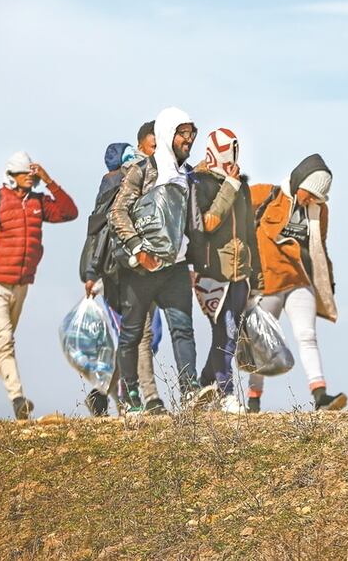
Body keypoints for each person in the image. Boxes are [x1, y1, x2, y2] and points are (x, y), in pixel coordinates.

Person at [0, 152, 78, 420]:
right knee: (5, 341)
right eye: (25, 173)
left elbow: (69, 212)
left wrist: (49, 180)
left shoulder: (38, 203)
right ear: (11, 176)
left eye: (32, 173)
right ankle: (18, 399)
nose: (30, 177)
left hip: (20, 286)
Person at [109, 107, 206, 414]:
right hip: (142, 268)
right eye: (182, 133)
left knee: (183, 328)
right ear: (167, 134)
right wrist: (138, 250)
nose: (188, 140)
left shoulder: (186, 174)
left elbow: (189, 222)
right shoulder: (143, 170)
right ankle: (132, 396)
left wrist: (193, 262)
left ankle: (190, 392)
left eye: (191, 133)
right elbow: (117, 212)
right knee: (133, 332)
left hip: (175, 267)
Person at [79, 123, 166, 416]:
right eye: (154, 146)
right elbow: (99, 228)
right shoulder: (121, 180)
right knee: (137, 334)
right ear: (141, 147)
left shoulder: (157, 175)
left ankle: (106, 393)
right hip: (121, 270)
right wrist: (91, 271)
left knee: (143, 336)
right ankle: (137, 399)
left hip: (145, 267)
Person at [247, 155, 345, 412]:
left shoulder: (319, 211)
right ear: (299, 181)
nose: (312, 200)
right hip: (265, 283)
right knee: (261, 342)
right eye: (310, 193)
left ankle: (320, 395)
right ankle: (253, 399)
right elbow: (232, 208)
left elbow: (319, 247)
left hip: (299, 281)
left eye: (318, 197)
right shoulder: (266, 195)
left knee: (307, 336)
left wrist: (327, 282)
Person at [187, 127, 262, 413]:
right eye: (230, 150)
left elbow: (249, 232)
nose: (235, 156)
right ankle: (226, 390)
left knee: (228, 334)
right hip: (213, 272)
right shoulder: (200, 183)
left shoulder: (241, 185)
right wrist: (228, 186)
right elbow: (209, 222)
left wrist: (258, 277)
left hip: (240, 272)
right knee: (226, 330)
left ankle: (206, 383)